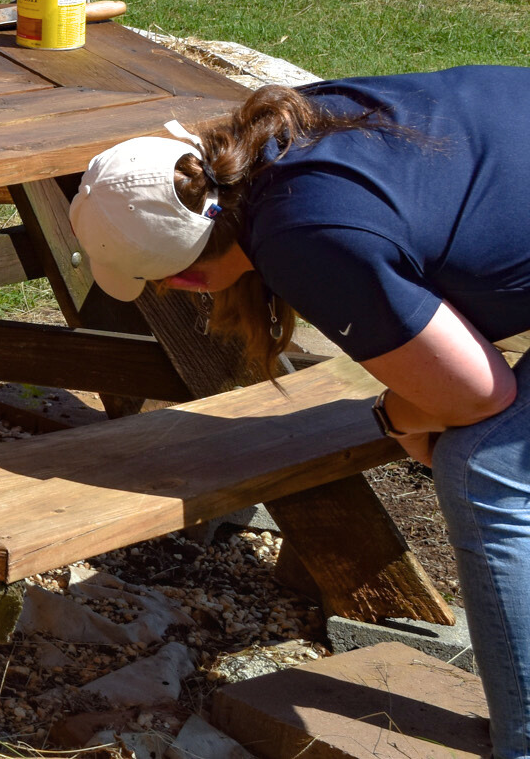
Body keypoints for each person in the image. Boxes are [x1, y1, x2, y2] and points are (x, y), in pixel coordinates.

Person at [68, 67, 530, 757]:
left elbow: (476, 395)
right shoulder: (282, 127)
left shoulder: (303, 236)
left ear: (185, 275)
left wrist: (399, 418)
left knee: (482, 464)